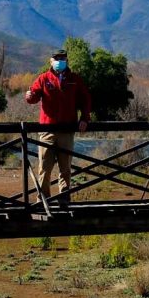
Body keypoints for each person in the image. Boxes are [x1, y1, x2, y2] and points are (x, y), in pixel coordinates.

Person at [25, 49, 91, 206]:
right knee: (44, 167)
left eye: (62, 58)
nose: (59, 61)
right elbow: (33, 96)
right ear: (50, 61)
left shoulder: (74, 79)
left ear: (67, 60)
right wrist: (29, 96)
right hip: (47, 130)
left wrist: (85, 119)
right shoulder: (43, 79)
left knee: (65, 168)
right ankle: (43, 198)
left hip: (67, 130)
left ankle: (64, 197)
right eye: (57, 58)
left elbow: (86, 99)